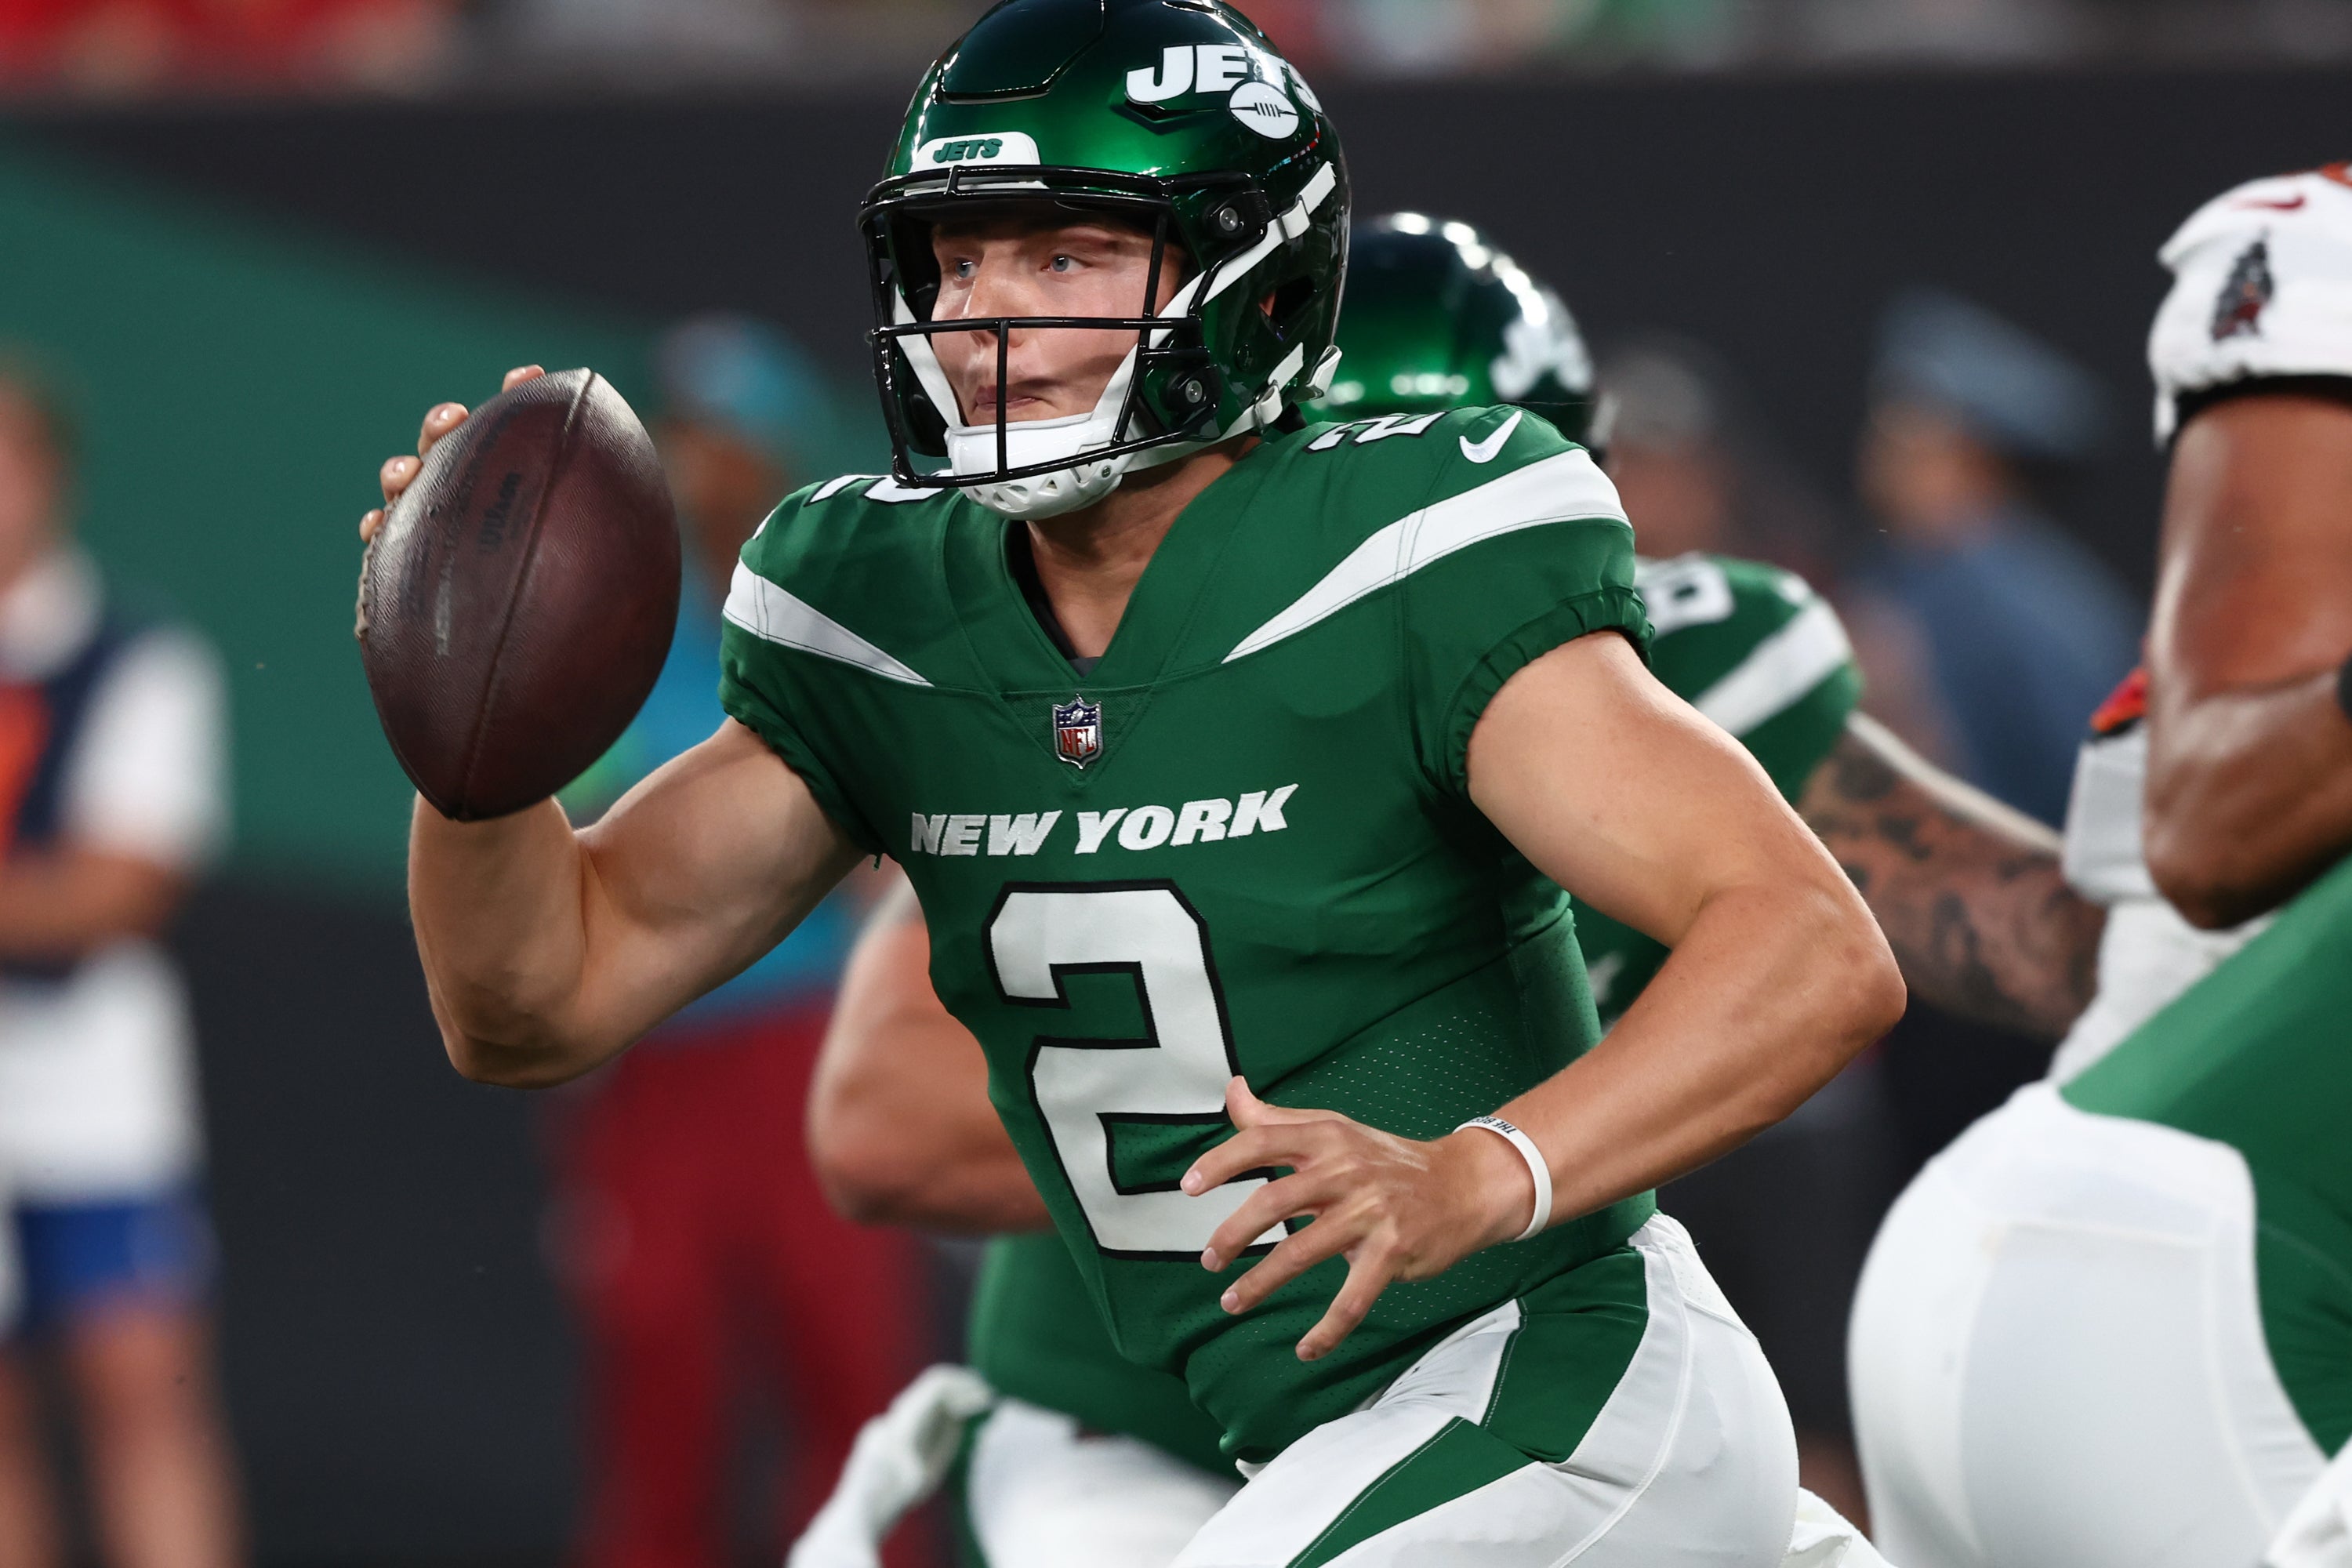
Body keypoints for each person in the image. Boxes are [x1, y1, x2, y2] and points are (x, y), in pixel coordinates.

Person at [360, 4, 1912, 1561]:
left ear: (1252, 274)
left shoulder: (1402, 554)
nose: (982, 317)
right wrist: (477, 748)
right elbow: (534, 1001)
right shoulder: (884, 613)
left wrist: (1482, 1173)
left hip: (1554, 1390)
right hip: (1310, 1445)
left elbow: (1809, 943)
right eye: (954, 262)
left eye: (1062, 256)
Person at [787, 213, 2107, 1567]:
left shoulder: (1658, 682)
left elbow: (2039, 936)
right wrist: (1289, 1115)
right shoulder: (1093, 698)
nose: (1443, 576)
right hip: (1147, 1435)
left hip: (1512, 1388)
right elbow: (882, 1126)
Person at [1847, 160, 2352, 1568]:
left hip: (2129, 1241)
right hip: (2211, 1278)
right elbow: (2213, 825)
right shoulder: (2329, 259)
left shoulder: (2014, 590)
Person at [539, 316, 927, 1568]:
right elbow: (547, 831)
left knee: (854, 1380)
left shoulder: (846, 626)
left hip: (812, 1059)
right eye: (679, 437)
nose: (695, 464)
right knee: (659, 1388)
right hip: (657, 1066)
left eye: (721, 440)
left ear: (769, 461)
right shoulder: (596, 630)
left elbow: (892, 855)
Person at [0, 355, 239, 1568]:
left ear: (50, 475)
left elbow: (121, 886)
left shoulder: (137, 654)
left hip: (94, 1089)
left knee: (138, 1384)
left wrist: (57, 900)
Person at [1850, 288, 2142, 828]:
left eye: (1906, 429)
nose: (1882, 447)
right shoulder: (1916, 571)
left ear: (1971, 454)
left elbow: (2092, 789)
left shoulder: (2021, 599)